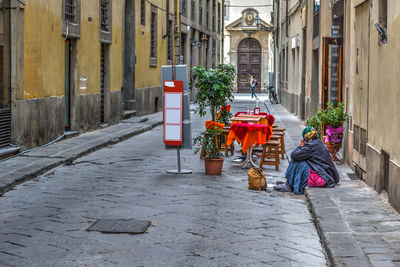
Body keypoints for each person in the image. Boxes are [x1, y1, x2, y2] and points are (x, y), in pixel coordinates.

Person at [274, 127, 340, 194]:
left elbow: (294, 156)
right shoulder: (318, 143)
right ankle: (290, 182)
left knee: (297, 162)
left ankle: (289, 184)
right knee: (301, 160)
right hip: (327, 175)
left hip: (323, 177)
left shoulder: (311, 146)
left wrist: (301, 146)